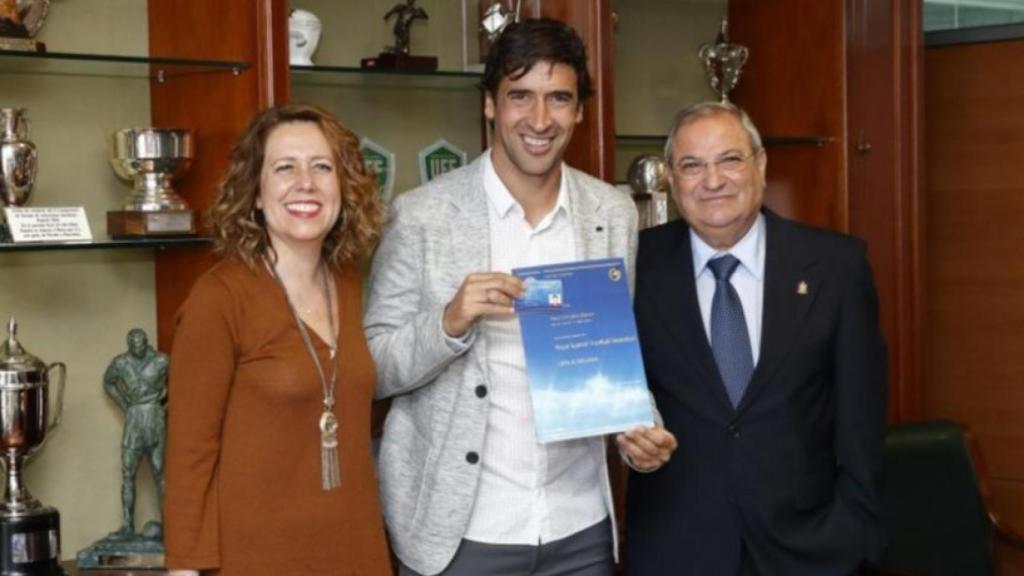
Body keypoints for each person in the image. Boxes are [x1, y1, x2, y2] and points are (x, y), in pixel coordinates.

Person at [364, 18, 676, 576]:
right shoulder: (421, 215)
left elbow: (612, 351)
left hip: (579, 529)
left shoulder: (611, 213)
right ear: (490, 104)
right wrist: (449, 322)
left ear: (580, 109)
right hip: (458, 535)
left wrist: (640, 430)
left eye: (559, 98)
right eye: (520, 97)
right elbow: (375, 368)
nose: (539, 120)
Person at [625, 101, 888, 575]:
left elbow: (862, 420)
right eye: (692, 165)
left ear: (760, 164)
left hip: (811, 552)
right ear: (671, 178)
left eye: (729, 159)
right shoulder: (634, 270)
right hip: (677, 551)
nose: (712, 180)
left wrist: (854, 536)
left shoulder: (835, 266)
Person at [164, 103, 392, 575]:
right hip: (256, 558)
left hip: (356, 551)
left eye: (322, 167)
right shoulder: (219, 297)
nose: (305, 182)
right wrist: (184, 569)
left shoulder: (347, 283)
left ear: (343, 189)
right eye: (284, 167)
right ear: (256, 194)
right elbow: (190, 455)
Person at [103, 328, 168, 539]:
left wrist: (165, 406)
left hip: (154, 417)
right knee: (128, 472)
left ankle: (170, 524)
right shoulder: (121, 362)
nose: (136, 348)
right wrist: (124, 404)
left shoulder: (161, 360)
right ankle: (127, 526)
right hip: (133, 420)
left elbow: (182, 382)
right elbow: (108, 381)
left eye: (140, 345)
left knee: (160, 472)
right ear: (128, 344)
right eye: (132, 345)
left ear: (146, 342)